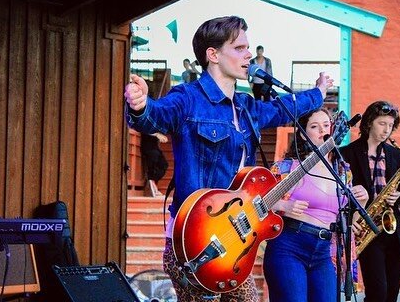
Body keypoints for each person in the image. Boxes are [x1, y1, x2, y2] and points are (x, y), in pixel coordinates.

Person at [124, 15, 334, 302]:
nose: (249, 54)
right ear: (213, 55)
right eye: (239, 48)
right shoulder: (187, 97)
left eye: (248, 48)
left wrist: (318, 93)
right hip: (196, 240)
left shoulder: (246, 107)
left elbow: (282, 109)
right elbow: (156, 116)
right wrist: (141, 106)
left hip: (235, 242)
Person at [263, 107, 369, 302]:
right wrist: (283, 206)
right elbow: (259, 206)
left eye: (326, 125)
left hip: (325, 251)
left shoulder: (342, 171)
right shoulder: (288, 167)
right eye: (314, 126)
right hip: (290, 245)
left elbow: (348, 223)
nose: (322, 130)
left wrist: (362, 201)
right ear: (304, 135)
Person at [339, 101, 400, 302]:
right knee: (377, 294)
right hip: (368, 231)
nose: (386, 130)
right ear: (369, 122)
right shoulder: (347, 153)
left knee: (391, 296)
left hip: (394, 231)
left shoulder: (396, 155)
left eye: (390, 125)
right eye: (382, 124)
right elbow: (340, 195)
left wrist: (399, 200)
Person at [140, 132, 169, 197]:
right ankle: (152, 184)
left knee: (164, 164)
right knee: (153, 161)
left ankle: (153, 181)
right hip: (147, 145)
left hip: (155, 146)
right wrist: (157, 134)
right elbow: (143, 128)